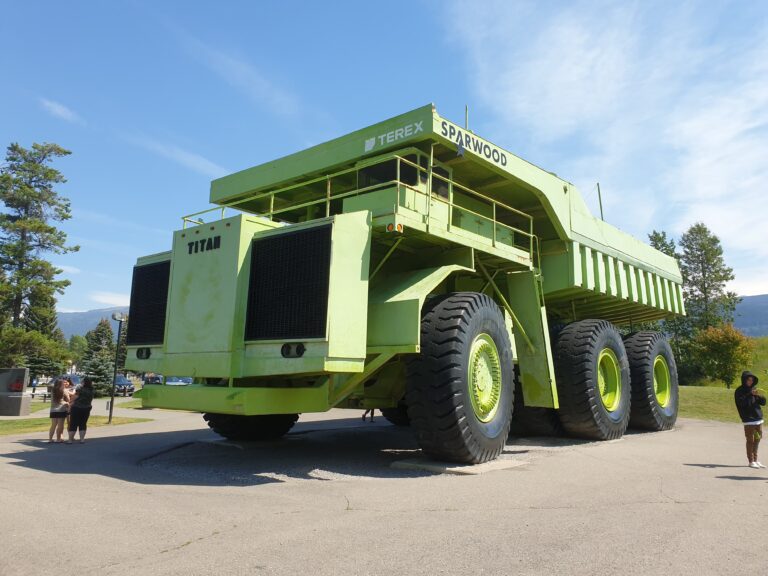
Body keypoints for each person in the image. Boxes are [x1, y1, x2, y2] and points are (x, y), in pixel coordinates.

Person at [734, 370, 766, 468]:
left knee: (757, 439)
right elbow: (741, 403)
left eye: (752, 380)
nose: (750, 382)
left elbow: (763, 402)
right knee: (750, 440)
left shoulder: (753, 389)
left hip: (758, 419)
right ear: (744, 380)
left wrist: (758, 395)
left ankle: (755, 460)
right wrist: (749, 394)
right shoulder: (739, 391)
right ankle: (751, 461)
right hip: (748, 420)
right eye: (748, 380)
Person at [67, 376, 94, 444]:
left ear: (84, 382)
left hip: (77, 407)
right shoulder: (91, 390)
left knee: (73, 423)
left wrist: (70, 402)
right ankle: (82, 439)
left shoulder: (80, 389)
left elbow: (75, 397)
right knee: (83, 423)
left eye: (82, 381)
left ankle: (70, 440)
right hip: (87, 407)